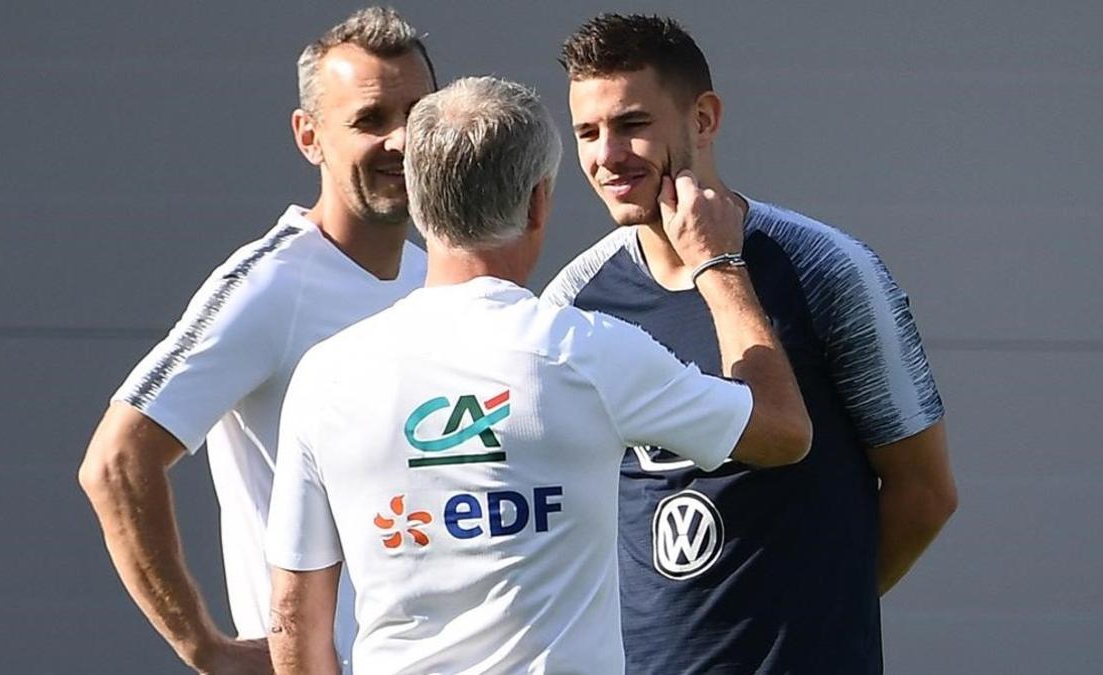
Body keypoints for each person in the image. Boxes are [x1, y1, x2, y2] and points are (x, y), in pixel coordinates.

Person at [263, 76, 811, 675]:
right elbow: (783, 432)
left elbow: (294, 615)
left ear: (417, 202)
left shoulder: (329, 375)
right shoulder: (586, 352)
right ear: (538, 202)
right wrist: (720, 264)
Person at [542, 13, 959, 674]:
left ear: (702, 119)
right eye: (588, 132)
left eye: (632, 125)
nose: (606, 156)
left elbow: (925, 491)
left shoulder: (826, 268)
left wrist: (819, 615)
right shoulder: (572, 300)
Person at [77, 8, 436, 672]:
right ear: (310, 137)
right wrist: (203, 646)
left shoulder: (434, 277)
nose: (400, 141)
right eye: (369, 120)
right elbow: (116, 462)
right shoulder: (269, 287)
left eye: (416, 114)